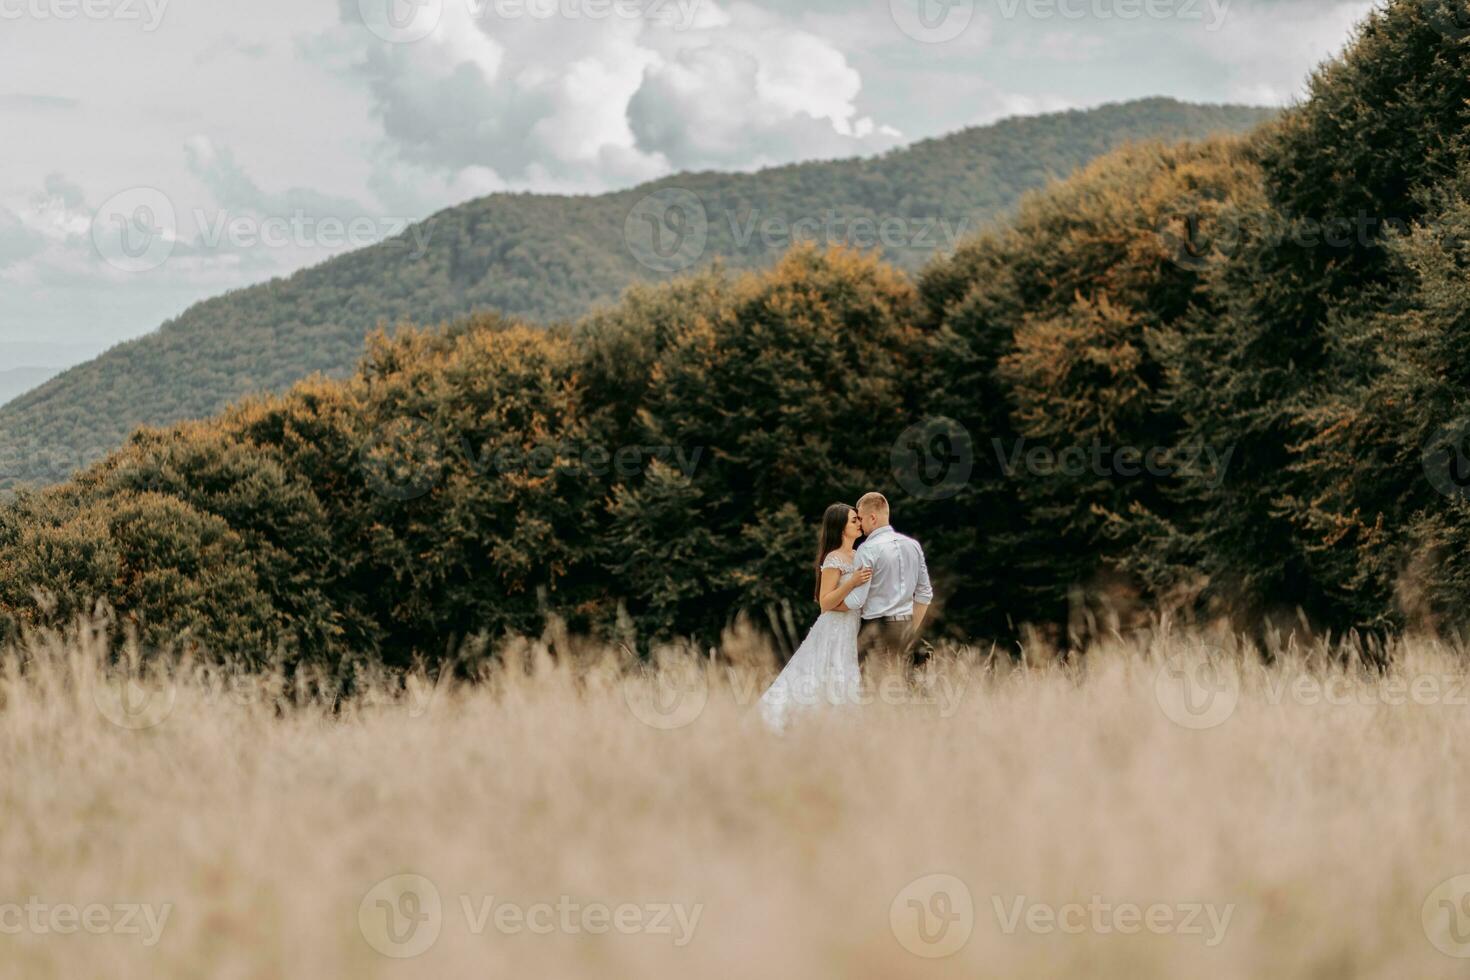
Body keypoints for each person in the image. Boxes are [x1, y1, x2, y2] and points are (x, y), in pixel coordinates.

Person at [757, 503, 872, 731]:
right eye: (854, 520)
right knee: (821, 673)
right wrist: (852, 582)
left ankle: (836, 727)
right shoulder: (834, 558)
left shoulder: (859, 556)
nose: (859, 523)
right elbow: (825, 602)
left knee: (842, 673)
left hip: (850, 627)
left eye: (859, 519)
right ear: (840, 527)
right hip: (832, 628)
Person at [844, 492, 933, 671]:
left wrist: (833, 600)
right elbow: (925, 594)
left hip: (877, 631)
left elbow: (858, 600)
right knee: (905, 689)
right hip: (907, 629)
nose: (859, 523)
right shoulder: (913, 545)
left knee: (874, 690)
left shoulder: (867, 549)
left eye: (860, 518)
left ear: (873, 518)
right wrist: (911, 630)